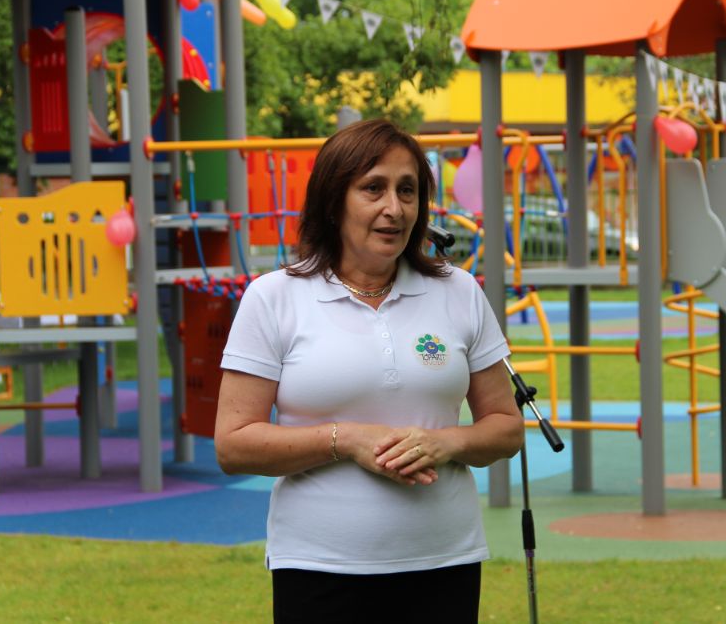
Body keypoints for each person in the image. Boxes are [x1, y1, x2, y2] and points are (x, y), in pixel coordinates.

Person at [215, 119, 525, 623]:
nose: (394, 208)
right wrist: (346, 439)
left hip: (444, 562)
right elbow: (233, 445)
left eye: (408, 190)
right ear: (333, 201)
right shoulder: (273, 298)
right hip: (318, 568)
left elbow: (507, 427)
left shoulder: (459, 291)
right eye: (373, 188)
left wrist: (446, 443)